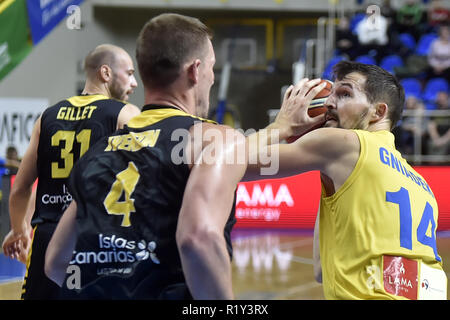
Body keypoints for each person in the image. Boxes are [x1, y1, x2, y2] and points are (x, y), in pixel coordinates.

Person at [44, 13, 324, 300]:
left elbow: (55, 263)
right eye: (212, 67)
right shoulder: (211, 139)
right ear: (195, 70)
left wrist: (279, 129)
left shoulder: (99, 150)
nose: (213, 78)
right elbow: (198, 237)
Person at [255, 61, 447, 299]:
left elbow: (237, 162)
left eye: (344, 93)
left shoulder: (345, 144)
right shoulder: (421, 184)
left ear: (378, 112)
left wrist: (280, 127)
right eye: (331, 93)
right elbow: (321, 269)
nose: (328, 103)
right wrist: (327, 177)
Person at [1, 44, 141, 300]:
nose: (134, 83)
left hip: (48, 237)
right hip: (98, 240)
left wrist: (19, 229)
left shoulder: (47, 116)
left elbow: (20, 189)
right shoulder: (126, 114)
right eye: (129, 73)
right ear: (106, 73)